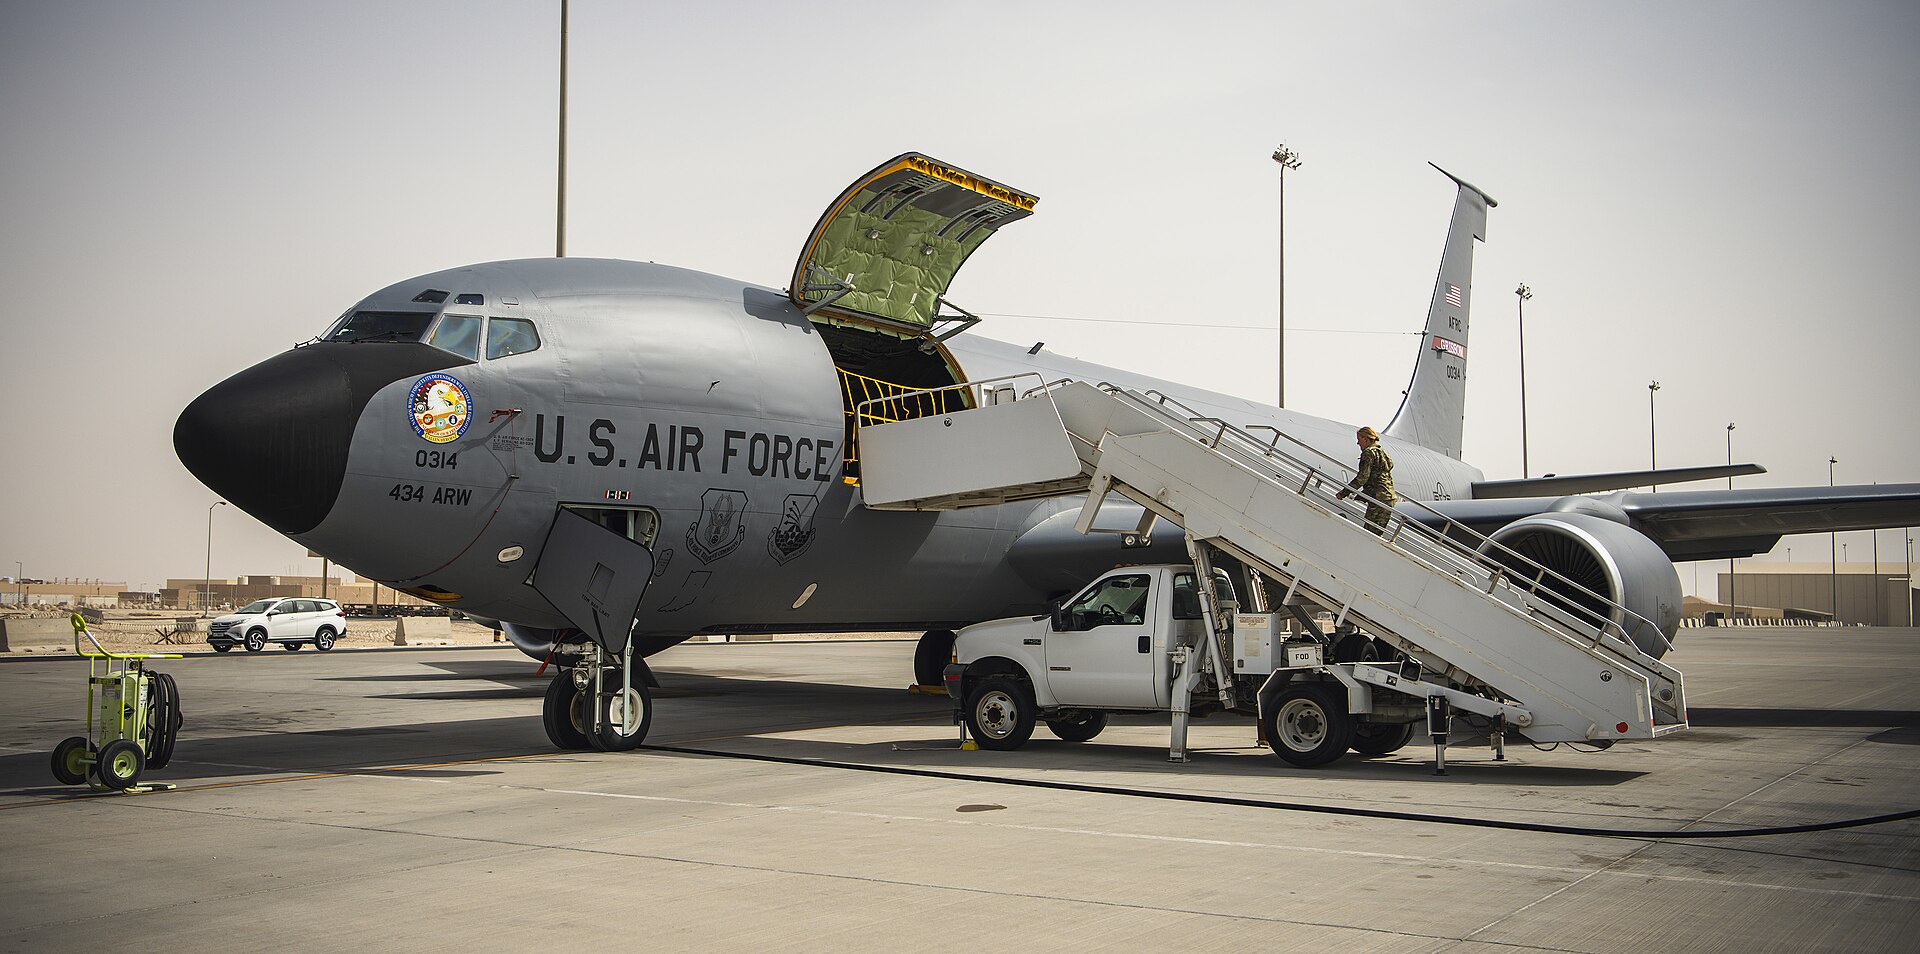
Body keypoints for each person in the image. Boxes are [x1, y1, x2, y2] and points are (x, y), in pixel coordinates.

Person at [1335, 426, 1397, 534]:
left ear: (1366, 439)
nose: (1358, 444)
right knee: (1377, 533)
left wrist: (1344, 493)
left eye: (1359, 440)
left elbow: (1362, 477)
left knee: (1369, 534)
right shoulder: (1382, 452)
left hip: (1378, 498)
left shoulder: (1368, 453)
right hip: (1389, 497)